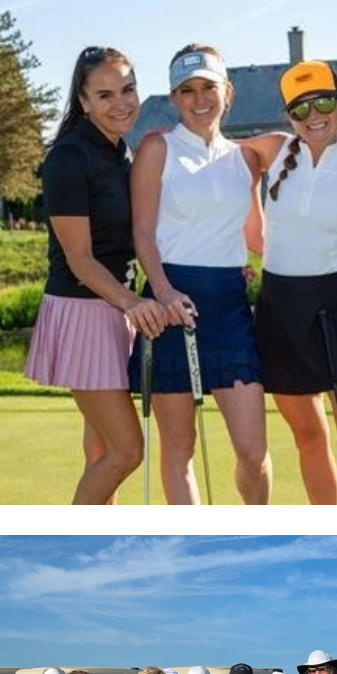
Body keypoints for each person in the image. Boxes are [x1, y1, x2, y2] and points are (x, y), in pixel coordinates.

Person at [25, 46, 169, 504]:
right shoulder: (68, 157)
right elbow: (79, 259)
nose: (121, 102)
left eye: (128, 89)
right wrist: (132, 303)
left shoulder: (118, 151)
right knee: (127, 451)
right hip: (83, 312)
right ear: (83, 101)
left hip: (113, 309)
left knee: (102, 447)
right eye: (105, 95)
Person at [241, 60, 337, 505]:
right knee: (307, 434)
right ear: (289, 117)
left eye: (323, 101)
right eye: (299, 109)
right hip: (280, 306)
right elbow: (223, 162)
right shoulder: (273, 147)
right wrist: (253, 234)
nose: (312, 115)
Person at [130, 43, 270, 505]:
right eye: (186, 90)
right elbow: (143, 233)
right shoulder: (157, 148)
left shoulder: (244, 160)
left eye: (207, 87)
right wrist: (166, 294)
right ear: (173, 98)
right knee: (180, 449)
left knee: (253, 450)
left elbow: (258, 240)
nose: (198, 99)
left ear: (226, 92)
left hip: (229, 307)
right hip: (171, 305)